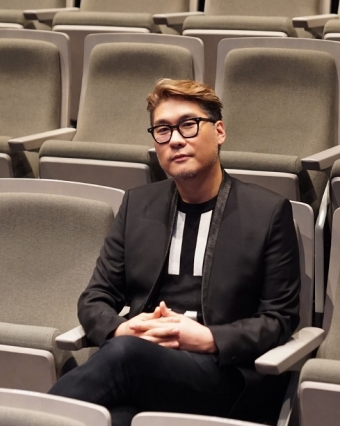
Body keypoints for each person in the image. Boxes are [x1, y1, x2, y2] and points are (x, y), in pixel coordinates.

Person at [49, 79, 300, 425]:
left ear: (220, 131)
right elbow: (94, 298)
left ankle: (26, 417)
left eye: (188, 124)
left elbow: (279, 319)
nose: (176, 139)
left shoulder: (268, 212)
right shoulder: (138, 204)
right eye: (163, 130)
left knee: (125, 358)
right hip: (141, 362)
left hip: (222, 375)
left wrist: (209, 338)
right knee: (113, 417)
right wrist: (122, 329)